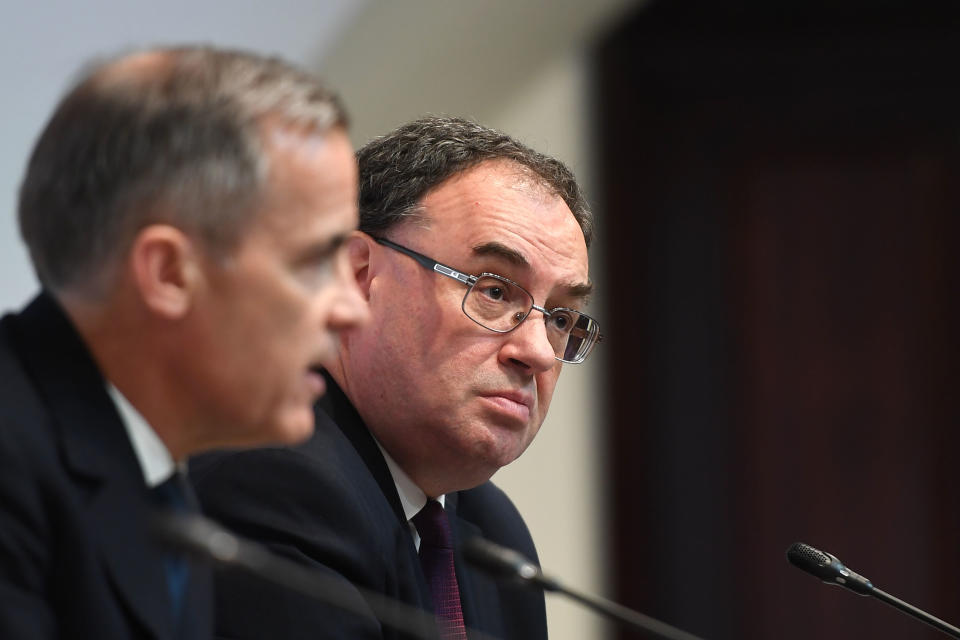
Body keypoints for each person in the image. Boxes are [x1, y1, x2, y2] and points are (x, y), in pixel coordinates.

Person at [0, 46, 367, 639]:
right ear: (169, 273)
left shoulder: (163, 489)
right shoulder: (15, 467)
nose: (354, 310)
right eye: (315, 262)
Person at [192, 116, 601, 639]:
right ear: (359, 276)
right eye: (495, 291)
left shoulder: (492, 538)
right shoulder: (271, 477)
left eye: (562, 318)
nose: (538, 352)